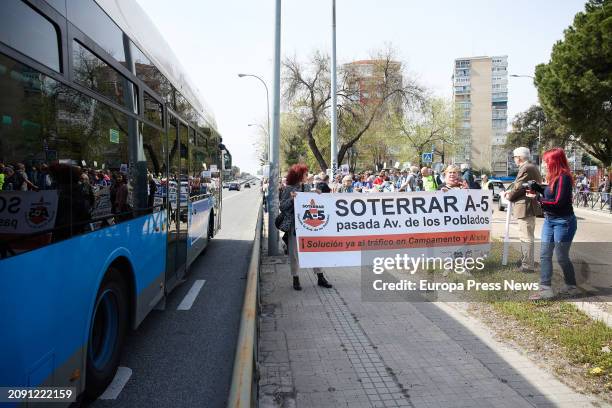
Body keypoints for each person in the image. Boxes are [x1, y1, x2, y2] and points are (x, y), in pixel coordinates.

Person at [527, 148, 578, 300]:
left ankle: (571, 286)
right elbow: (551, 194)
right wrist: (538, 189)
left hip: (564, 222)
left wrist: (537, 199)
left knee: (561, 257)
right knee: (544, 255)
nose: (544, 164)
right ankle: (545, 289)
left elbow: (558, 202)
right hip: (550, 220)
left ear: (555, 161)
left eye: (546, 161)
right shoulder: (554, 177)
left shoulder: (564, 177)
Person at [279, 164, 332, 291]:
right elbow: (282, 206)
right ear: (298, 175)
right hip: (295, 226)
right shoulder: (288, 189)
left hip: (309, 226)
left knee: (314, 250)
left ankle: (320, 276)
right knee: (294, 253)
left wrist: (317, 194)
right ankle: (295, 278)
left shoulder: (307, 187)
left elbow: (311, 202)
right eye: (305, 174)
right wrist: (292, 199)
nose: (307, 176)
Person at [504, 147, 542, 273]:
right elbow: (520, 186)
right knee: (527, 236)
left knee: (525, 237)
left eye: (514, 157)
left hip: (525, 206)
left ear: (519, 157)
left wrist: (509, 195)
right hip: (528, 205)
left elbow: (518, 186)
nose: (514, 160)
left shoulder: (526, 168)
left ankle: (527, 265)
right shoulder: (532, 167)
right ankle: (526, 262)